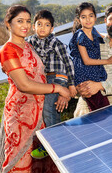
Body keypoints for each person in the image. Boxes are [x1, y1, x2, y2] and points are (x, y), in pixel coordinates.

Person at [0, 5, 70, 173]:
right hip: (21, 116)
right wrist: (58, 88)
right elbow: (24, 85)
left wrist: (62, 89)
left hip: (40, 113)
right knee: (21, 161)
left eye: (28, 21)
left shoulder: (29, 46)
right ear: (8, 23)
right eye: (20, 21)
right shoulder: (8, 50)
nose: (25, 25)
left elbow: (54, 68)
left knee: (43, 162)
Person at [26, 9, 77, 159]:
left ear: (52, 29)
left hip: (57, 78)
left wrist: (71, 85)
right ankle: (55, 139)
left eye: (47, 25)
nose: (42, 28)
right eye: (39, 24)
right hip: (43, 79)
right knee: (43, 109)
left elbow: (69, 63)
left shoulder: (56, 43)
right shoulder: (29, 42)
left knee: (49, 108)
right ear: (33, 27)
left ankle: (55, 143)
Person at [69, 2, 112, 112]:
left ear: (95, 17)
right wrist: (108, 61)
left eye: (90, 16)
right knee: (102, 108)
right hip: (85, 78)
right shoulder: (80, 36)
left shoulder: (93, 31)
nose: (88, 20)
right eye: (83, 17)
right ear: (78, 20)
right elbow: (86, 61)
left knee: (99, 108)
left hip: (93, 75)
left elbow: (106, 39)